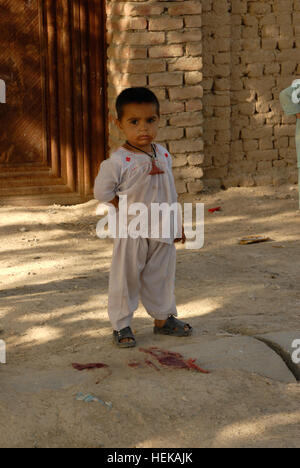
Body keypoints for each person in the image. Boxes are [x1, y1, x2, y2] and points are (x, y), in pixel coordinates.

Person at [94, 87, 192, 347]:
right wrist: (123, 209)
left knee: (161, 275)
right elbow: (101, 191)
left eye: (150, 120)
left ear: (159, 120)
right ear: (119, 124)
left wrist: (177, 223)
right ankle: (122, 325)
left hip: (163, 228)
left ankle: (163, 319)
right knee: (126, 278)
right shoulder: (118, 161)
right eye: (134, 122)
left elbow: (170, 192)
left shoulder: (163, 154)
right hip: (132, 232)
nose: (143, 128)